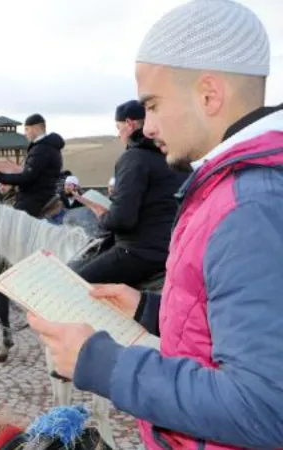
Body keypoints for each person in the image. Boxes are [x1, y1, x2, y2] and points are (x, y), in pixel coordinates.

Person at [29, 1, 283, 448]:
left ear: (209, 94)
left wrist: (100, 361)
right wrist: (148, 310)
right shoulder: (232, 185)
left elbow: (263, 407)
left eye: (153, 104)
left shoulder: (250, 203)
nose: (146, 126)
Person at [72, 100, 187, 286]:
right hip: (176, 247)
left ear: (129, 124)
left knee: (75, 285)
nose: (119, 135)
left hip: (140, 251)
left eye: (119, 128)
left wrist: (103, 217)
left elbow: (123, 219)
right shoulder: (175, 155)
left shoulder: (133, 158)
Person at [0, 114, 63, 217]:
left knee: (12, 222)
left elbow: (27, 177)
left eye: (27, 129)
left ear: (35, 128)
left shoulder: (41, 149)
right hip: (43, 193)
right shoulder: (49, 146)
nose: (25, 133)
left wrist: (0, 177)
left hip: (35, 197)